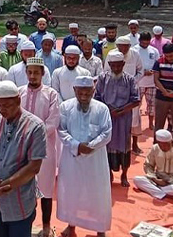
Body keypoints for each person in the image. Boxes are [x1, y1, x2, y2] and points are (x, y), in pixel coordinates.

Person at [0, 80, 44, 237]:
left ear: (18, 100)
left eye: (7, 105)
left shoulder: (35, 126)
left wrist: (5, 185)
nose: (2, 110)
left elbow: (34, 166)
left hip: (19, 202)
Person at [57, 76, 112, 237]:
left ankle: (100, 229)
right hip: (71, 158)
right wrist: (76, 145)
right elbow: (61, 130)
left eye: (87, 91)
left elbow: (107, 133)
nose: (84, 94)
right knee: (72, 191)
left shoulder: (102, 109)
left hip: (95, 159)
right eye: (80, 91)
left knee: (98, 194)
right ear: (74, 90)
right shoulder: (65, 107)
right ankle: (71, 225)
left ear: (93, 91)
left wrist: (90, 146)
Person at [19, 58, 59, 237]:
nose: (33, 76)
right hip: (21, 149)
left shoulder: (51, 94)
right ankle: (25, 225)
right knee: (24, 188)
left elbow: (53, 122)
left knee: (46, 189)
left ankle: (46, 225)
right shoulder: (19, 93)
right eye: (30, 72)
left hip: (45, 149)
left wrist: (33, 136)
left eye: (36, 72)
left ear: (43, 73)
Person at [95, 51, 140, 187]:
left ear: (123, 64)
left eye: (118, 66)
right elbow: (97, 98)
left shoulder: (130, 79)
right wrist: (109, 110)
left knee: (124, 147)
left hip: (124, 119)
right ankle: (108, 174)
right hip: (107, 118)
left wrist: (122, 110)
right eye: (113, 66)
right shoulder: (102, 78)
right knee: (106, 146)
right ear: (109, 64)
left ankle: (124, 175)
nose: (116, 69)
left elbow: (135, 100)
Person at [133, 129, 173, 201]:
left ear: (171, 142)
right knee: (137, 179)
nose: (163, 148)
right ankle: (164, 193)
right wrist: (154, 178)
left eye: (166, 145)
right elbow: (148, 165)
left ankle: (158, 192)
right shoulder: (155, 148)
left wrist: (168, 181)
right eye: (161, 145)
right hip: (157, 179)